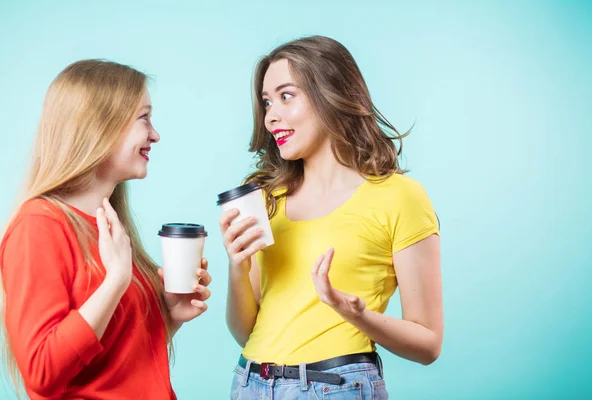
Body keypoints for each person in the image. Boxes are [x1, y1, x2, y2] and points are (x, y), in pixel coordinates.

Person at [220, 36, 442, 399]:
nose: (270, 115)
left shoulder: (400, 197)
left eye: (286, 95)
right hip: (250, 383)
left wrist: (354, 313)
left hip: (334, 387)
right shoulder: (265, 197)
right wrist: (236, 267)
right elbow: (247, 331)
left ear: (331, 93)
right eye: (266, 102)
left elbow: (429, 344)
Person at [0, 59, 212, 399]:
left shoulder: (109, 223)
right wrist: (115, 281)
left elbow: (115, 364)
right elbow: (41, 372)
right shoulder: (38, 226)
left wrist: (169, 316)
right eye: (144, 117)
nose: (155, 134)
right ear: (99, 126)